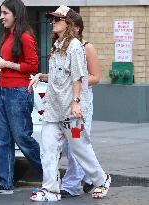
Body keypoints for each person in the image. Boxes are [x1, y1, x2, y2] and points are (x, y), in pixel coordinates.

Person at [28, 5, 111, 202]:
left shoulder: (75, 46)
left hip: (70, 111)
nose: (53, 22)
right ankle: (50, 190)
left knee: (79, 148)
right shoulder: (57, 46)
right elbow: (60, 76)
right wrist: (41, 76)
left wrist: (76, 103)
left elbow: (78, 78)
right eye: (52, 19)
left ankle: (101, 180)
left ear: (69, 23)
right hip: (53, 110)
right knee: (48, 149)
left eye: (57, 19)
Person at [0, 0, 42, 195]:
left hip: (18, 93)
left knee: (22, 138)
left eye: (5, 13)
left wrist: (7, 64)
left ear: (16, 14)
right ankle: (4, 183)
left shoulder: (25, 36)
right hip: (2, 90)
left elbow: (33, 67)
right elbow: (11, 64)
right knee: (2, 139)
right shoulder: (8, 35)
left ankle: (51, 175)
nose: (1, 17)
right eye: (1, 13)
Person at [60, 12, 101, 197]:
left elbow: (96, 77)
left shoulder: (86, 47)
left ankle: (71, 184)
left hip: (81, 102)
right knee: (66, 145)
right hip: (63, 102)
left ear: (76, 27)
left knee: (77, 140)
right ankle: (91, 176)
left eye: (66, 23)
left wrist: (76, 80)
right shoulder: (62, 47)